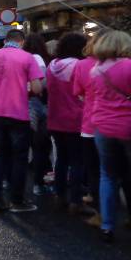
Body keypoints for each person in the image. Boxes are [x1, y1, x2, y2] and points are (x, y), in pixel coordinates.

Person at [0, 29, 44, 212]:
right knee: (19, 157)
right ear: (21, 41)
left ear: (5, 40)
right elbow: (37, 87)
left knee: (1, 155)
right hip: (17, 113)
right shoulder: (27, 58)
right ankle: (17, 200)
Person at [89, 30, 131, 242]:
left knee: (108, 175)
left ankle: (107, 224)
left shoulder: (96, 70)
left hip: (103, 127)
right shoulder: (128, 66)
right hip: (127, 126)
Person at [47, 32, 90, 214]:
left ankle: (59, 194)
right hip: (76, 118)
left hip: (55, 118)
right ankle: (75, 200)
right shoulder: (80, 66)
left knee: (62, 159)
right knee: (77, 161)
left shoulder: (52, 66)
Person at [72, 33, 102, 225]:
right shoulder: (126, 63)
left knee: (96, 171)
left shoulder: (82, 65)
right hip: (123, 125)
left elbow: (78, 94)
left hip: (91, 124)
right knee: (123, 171)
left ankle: (101, 215)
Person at [24, 33, 52, 196]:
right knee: (40, 145)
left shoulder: (23, 58)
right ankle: (39, 182)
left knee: (23, 144)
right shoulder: (40, 59)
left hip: (21, 104)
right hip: (38, 103)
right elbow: (42, 82)